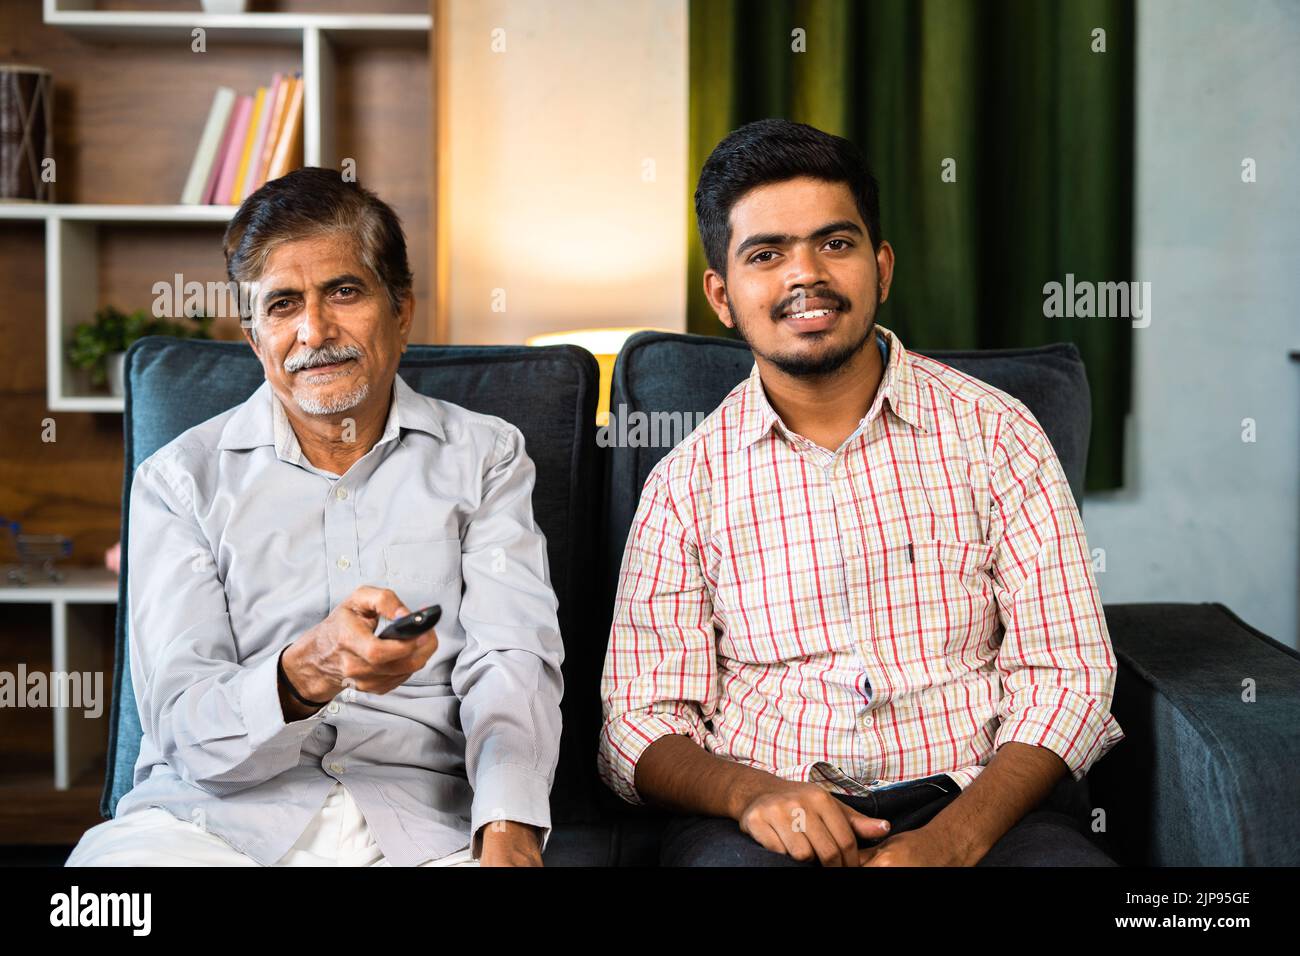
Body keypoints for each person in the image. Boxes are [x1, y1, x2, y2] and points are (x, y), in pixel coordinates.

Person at [598, 119, 1124, 867]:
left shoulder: (998, 433)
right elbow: (640, 720)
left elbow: (1067, 672)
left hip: (981, 804)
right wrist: (751, 796)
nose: (804, 275)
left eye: (834, 244)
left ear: (881, 267)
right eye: (767, 254)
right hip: (767, 815)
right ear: (722, 294)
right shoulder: (686, 485)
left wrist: (953, 840)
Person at [67, 168, 563, 867]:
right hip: (205, 827)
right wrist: (307, 671)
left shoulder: (487, 457)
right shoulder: (178, 482)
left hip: (422, 829)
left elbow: (511, 661)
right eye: (282, 305)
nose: (314, 330)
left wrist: (508, 827)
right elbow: (184, 719)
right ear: (254, 338)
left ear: (402, 311)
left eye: (344, 291)